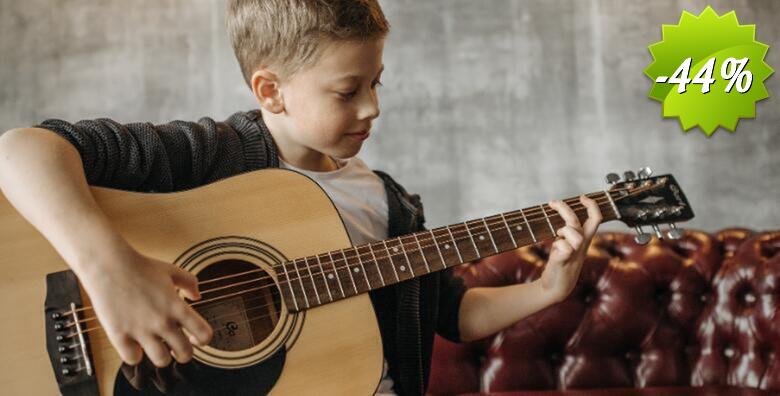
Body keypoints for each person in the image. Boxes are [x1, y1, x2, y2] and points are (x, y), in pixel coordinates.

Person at [0, 0, 601, 394]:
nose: (373, 107)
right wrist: (110, 270)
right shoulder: (208, 155)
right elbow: (20, 150)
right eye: (348, 90)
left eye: (376, 82)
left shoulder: (389, 205)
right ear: (272, 90)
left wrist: (549, 288)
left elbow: (451, 314)